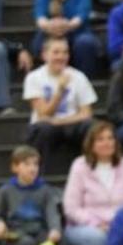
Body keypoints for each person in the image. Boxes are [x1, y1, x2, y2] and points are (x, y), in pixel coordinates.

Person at [0, 145, 73, 245]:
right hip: (15, 233)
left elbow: (52, 212)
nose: (32, 168)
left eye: (35, 164)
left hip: (39, 230)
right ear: (15, 168)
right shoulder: (6, 191)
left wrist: (55, 229)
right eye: (26, 164)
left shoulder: (45, 190)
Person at [24, 36, 96, 167]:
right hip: (45, 127)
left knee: (91, 126)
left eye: (65, 52)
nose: (61, 57)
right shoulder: (33, 77)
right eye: (56, 52)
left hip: (71, 124)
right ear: (44, 55)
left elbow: (86, 113)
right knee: (44, 128)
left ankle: (92, 171)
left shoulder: (78, 76)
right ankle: (38, 175)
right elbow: (43, 114)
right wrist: (60, 90)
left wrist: (59, 121)